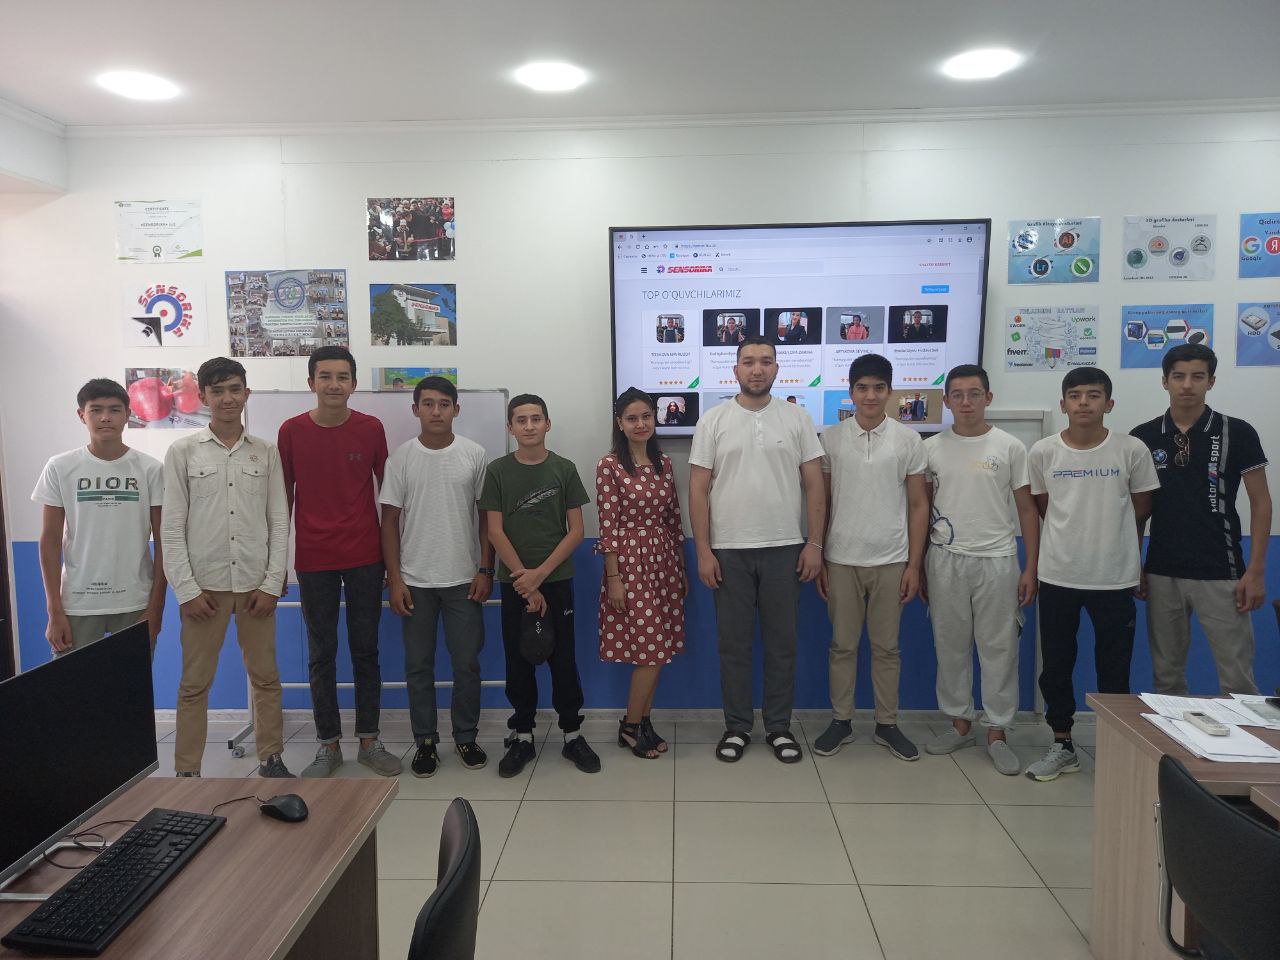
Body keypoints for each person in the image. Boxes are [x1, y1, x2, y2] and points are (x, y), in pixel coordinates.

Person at [689, 336, 825, 764]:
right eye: (748, 361)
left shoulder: (797, 418)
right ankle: (737, 727)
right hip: (728, 551)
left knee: (782, 645)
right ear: (736, 370)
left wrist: (815, 543)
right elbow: (697, 489)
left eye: (766, 361)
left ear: (776, 368)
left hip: (785, 548)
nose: (757, 369)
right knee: (734, 646)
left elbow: (814, 484)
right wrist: (703, 552)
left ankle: (779, 727)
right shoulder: (713, 420)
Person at [1026, 367, 1159, 782]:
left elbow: (1141, 509)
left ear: (1109, 403)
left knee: (1114, 668)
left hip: (1113, 578)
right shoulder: (1043, 452)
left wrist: (1133, 561)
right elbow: (1045, 507)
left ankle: (1115, 747)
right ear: (1063, 404)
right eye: (1076, 395)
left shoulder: (1131, 450)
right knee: (1056, 666)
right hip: (1058, 575)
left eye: (1094, 395)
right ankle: (1062, 743)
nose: (1084, 402)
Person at [162, 357, 293, 778]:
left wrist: (272, 583)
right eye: (217, 391)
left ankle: (271, 758)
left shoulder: (266, 452)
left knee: (266, 678)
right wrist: (186, 591)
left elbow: (279, 521)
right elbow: (171, 528)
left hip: (255, 587)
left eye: (234, 389)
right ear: (203, 397)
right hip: (205, 589)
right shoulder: (182, 452)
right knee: (193, 684)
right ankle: (187, 773)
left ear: (246, 393)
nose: (227, 398)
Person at [278, 346, 400, 778]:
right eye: (325, 376)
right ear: (311, 382)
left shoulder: (371, 428)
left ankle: (369, 741)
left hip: (366, 556)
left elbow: (389, 497)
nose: (334, 384)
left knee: (366, 651)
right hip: (314, 558)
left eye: (342, 377)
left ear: (354, 384)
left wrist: (392, 563)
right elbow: (282, 500)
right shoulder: (291, 431)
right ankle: (328, 745)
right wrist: (278, 563)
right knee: (321, 654)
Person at [1131, 344, 1271, 695]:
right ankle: (1172, 735)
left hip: (1222, 571)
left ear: (1211, 381)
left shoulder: (1237, 431)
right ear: (1165, 381)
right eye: (1178, 376)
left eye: (1197, 376)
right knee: (1167, 680)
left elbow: (1261, 503)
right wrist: (1135, 564)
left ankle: (1243, 736)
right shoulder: (1143, 436)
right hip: (1162, 571)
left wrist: (1255, 571)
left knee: (1238, 681)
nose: (1187, 385)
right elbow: (1138, 511)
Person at [922, 365, 1041, 775]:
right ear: (946, 401)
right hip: (945, 560)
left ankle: (997, 730)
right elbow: (920, 510)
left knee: (999, 648)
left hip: (998, 561)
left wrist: (1030, 568)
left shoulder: (1010, 447)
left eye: (974, 393)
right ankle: (959, 723)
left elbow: (1027, 510)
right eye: (957, 395)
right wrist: (920, 565)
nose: (966, 402)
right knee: (949, 646)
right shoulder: (931, 449)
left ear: (988, 397)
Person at [813, 354, 928, 761]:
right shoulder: (830, 438)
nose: (871, 395)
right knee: (842, 645)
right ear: (851, 392)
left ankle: (887, 724)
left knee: (887, 648)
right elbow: (822, 502)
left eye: (879, 388)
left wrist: (914, 565)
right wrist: (821, 556)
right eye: (862, 388)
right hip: (842, 558)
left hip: (891, 559)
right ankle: (841, 720)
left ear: (890, 392)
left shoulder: (908, 440)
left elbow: (918, 505)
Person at [480, 394, 599, 776]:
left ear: (548, 424)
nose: (529, 426)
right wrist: (525, 581)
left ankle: (572, 735)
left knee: (563, 659)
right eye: (521, 420)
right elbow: (494, 531)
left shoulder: (564, 469)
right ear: (510, 427)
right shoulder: (498, 471)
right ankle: (523, 736)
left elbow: (576, 531)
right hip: (515, 584)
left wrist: (540, 576)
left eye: (536, 418)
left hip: (557, 580)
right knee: (518, 660)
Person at [382, 376, 494, 776]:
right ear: (415, 409)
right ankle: (425, 742)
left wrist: (486, 568)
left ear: (456, 410)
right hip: (415, 582)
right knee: (418, 667)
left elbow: (486, 519)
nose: (436, 411)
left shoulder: (474, 455)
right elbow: (389, 522)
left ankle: (465, 736)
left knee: (466, 665)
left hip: (464, 579)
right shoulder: (401, 458)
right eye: (427, 404)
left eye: (444, 404)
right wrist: (395, 580)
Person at [32, 379, 166, 657]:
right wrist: (54, 610)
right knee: (73, 683)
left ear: (128, 415)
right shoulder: (60, 467)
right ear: (82, 415)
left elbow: (165, 542)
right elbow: (50, 540)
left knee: (130, 683)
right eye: (96, 410)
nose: (106, 417)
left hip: (135, 602)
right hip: (77, 603)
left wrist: (156, 608)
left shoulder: (151, 469)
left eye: (115, 410)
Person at [597, 389, 687, 758]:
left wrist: (680, 568)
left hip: (664, 562)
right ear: (619, 423)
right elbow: (607, 527)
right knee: (649, 652)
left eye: (646, 416)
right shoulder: (609, 465)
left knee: (660, 650)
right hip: (629, 565)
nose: (640, 424)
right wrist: (614, 579)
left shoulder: (664, 463)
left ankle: (644, 722)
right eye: (632, 418)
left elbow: (673, 519)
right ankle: (630, 727)